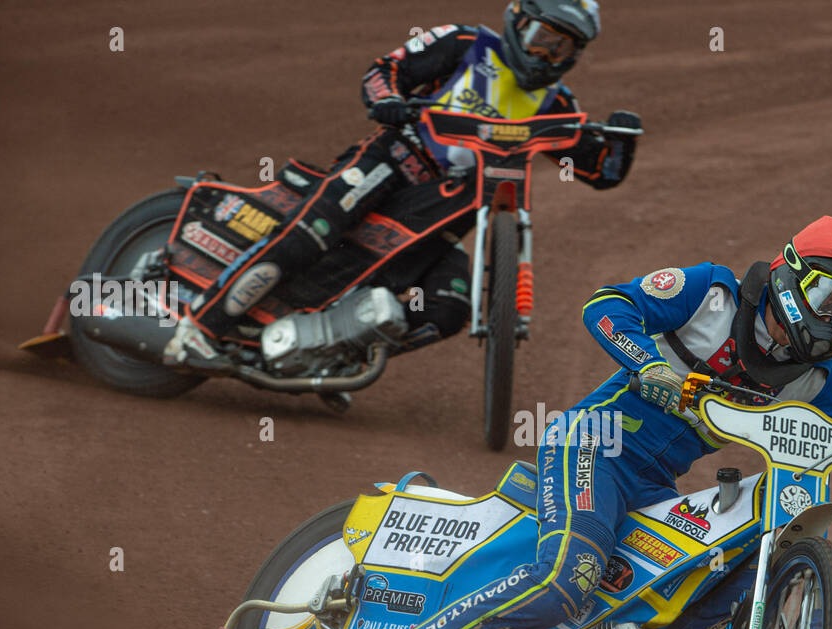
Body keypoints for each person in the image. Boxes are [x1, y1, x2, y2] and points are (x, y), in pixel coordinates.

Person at [367, 215, 832, 629]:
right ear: (792, 276)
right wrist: (644, 363)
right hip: (592, 445)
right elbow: (605, 306)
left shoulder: (816, 381)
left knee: (740, 569)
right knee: (568, 580)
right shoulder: (712, 294)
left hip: (653, 483)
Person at [164, 0, 641, 364]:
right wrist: (388, 100)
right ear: (517, 21)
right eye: (542, 39)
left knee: (448, 305)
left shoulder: (558, 106)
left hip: (445, 215)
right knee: (313, 233)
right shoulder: (463, 44)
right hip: (390, 164)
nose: (547, 55)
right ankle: (200, 327)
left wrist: (622, 139)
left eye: (562, 48)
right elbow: (384, 71)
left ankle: (327, 357)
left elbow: (601, 171)